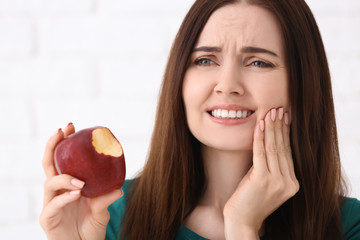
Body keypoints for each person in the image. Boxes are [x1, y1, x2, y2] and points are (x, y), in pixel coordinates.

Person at [39, 0, 360, 239]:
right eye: (205, 59)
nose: (227, 84)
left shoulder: (348, 226)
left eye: (259, 62)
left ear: (303, 84)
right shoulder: (111, 216)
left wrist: (243, 227)